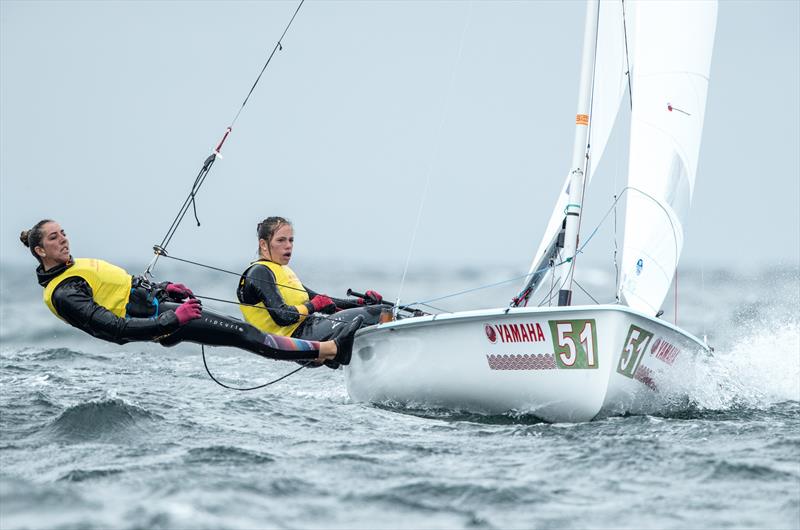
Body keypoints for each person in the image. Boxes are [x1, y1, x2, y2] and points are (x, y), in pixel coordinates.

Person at [20, 219, 361, 367]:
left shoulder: (76, 267)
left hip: (160, 310)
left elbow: (122, 289)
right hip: (158, 321)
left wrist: (164, 288)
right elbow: (114, 329)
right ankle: (330, 350)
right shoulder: (64, 291)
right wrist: (172, 319)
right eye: (53, 238)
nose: (63, 239)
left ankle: (320, 354)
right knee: (244, 334)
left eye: (63, 233)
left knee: (242, 331)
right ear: (39, 251)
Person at [236, 216, 384, 364]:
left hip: (311, 331)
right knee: (379, 313)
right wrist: (313, 306)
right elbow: (282, 316)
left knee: (379, 310)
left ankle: (374, 365)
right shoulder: (259, 272)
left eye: (291, 240)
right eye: (281, 240)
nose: (288, 246)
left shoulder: (283, 271)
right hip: (297, 341)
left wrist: (361, 302)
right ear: (263, 244)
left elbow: (324, 302)